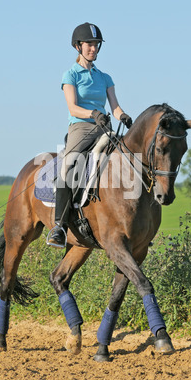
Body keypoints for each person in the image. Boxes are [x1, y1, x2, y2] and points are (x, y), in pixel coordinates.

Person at [47, 22, 133, 248]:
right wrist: (93, 113)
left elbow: (114, 106)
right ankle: (59, 226)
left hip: (104, 126)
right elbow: (73, 108)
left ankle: (133, 223)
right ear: (78, 46)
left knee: (127, 161)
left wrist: (123, 116)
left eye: (96, 45)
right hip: (81, 127)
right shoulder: (70, 75)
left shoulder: (105, 77)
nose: (93, 48)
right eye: (89, 45)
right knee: (69, 165)